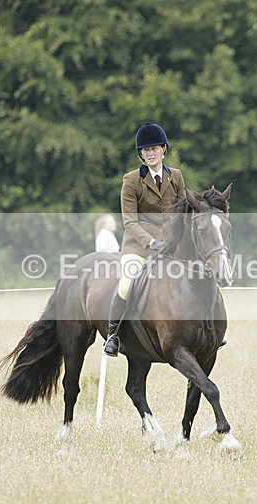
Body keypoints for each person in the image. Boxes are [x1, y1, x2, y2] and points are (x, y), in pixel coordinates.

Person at [103, 122, 186, 356]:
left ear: (163, 150)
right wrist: (150, 242)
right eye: (145, 150)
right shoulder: (131, 181)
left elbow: (182, 214)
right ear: (141, 154)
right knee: (127, 283)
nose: (150, 153)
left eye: (154, 148)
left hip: (170, 247)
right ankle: (113, 335)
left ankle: (207, 329)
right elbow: (130, 221)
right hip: (138, 247)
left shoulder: (176, 177)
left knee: (196, 276)